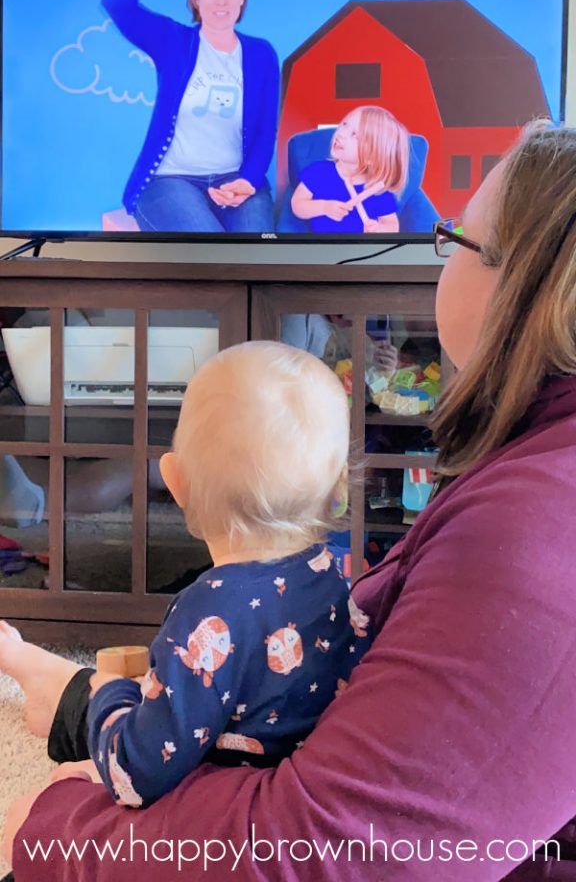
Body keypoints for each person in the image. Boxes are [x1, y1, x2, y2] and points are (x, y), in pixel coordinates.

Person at [4, 124, 576, 880]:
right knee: (98, 704)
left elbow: (322, 850)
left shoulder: (533, 531)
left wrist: (55, 830)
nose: (442, 254)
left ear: (526, 286)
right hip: (261, 742)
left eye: (453, 238)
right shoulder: (531, 472)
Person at [1, 342, 371, 809]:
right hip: (277, 784)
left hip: (217, 808)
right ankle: (49, 684)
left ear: (174, 481)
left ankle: (73, 690)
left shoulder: (208, 611)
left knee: (43, 807)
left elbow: (138, 770)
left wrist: (109, 695)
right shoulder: (330, 576)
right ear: (339, 492)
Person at [102, 0, 280, 232]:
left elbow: (265, 131)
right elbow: (117, 3)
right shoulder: (173, 41)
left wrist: (247, 181)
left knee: (258, 255)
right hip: (170, 181)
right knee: (210, 253)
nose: (221, 0)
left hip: (235, 178)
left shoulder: (261, 54)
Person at [290, 106, 408, 234]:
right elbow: (297, 204)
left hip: (361, 250)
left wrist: (379, 229)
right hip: (323, 248)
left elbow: (392, 225)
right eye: (344, 124)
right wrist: (324, 207)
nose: (341, 133)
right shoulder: (319, 172)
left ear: (371, 156)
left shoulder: (377, 189)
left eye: (355, 135)